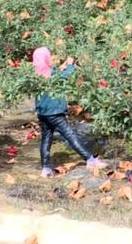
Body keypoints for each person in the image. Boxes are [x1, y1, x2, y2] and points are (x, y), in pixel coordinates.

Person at [32, 47, 107, 178]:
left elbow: (57, 73)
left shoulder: (34, 75)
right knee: (71, 136)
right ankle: (90, 159)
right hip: (55, 113)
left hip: (43, 114)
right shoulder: (52, 73)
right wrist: (71, 65)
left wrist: (64, 65)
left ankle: (46, 168)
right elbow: (64, 76)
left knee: (46, 140)